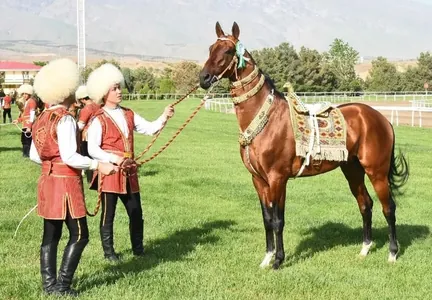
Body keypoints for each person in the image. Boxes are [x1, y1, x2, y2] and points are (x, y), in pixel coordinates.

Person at [29, 58, 118, 296]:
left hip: (47, 182)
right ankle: (62, 286)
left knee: (51, 235)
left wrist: (51, 163)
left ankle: (49, 286)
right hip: (66, 184)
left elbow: (34, 155)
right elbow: (69, 156)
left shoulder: (42, 117)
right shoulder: (64, 119)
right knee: (80, 235)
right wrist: (97, 164)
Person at [86, 63, 174, 261]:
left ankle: (138, 250)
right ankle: (109, 253)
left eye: (119, 87)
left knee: (136, 212)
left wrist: (164, 116)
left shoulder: (128, 114)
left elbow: (150, 129)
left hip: (129, 172)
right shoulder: (98, 119)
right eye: (114, 88)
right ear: (104, 92)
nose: (119, 91)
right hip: (110, 172)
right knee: (108, 215)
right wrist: (113, 159)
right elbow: (92, 149)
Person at [75, 85, 100, 183]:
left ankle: (91, 180)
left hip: (87, 136)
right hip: (99, 134)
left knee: (88, 157)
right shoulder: (98, 106)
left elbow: (81, 125)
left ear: (82, 99)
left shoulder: (86, 109)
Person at [13, 83, 37, 157]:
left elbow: (32, 115)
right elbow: (25, 115)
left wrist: (29, 126)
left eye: (26, 94)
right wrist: (18, 120)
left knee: (27, 141)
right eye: (23, 94)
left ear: (29, 94)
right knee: (23, 140)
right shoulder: (26, 102)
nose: (24, 95)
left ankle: (28, 154)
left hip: (29, 124)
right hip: (25, 124)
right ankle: (25, 153)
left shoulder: (32, 101)